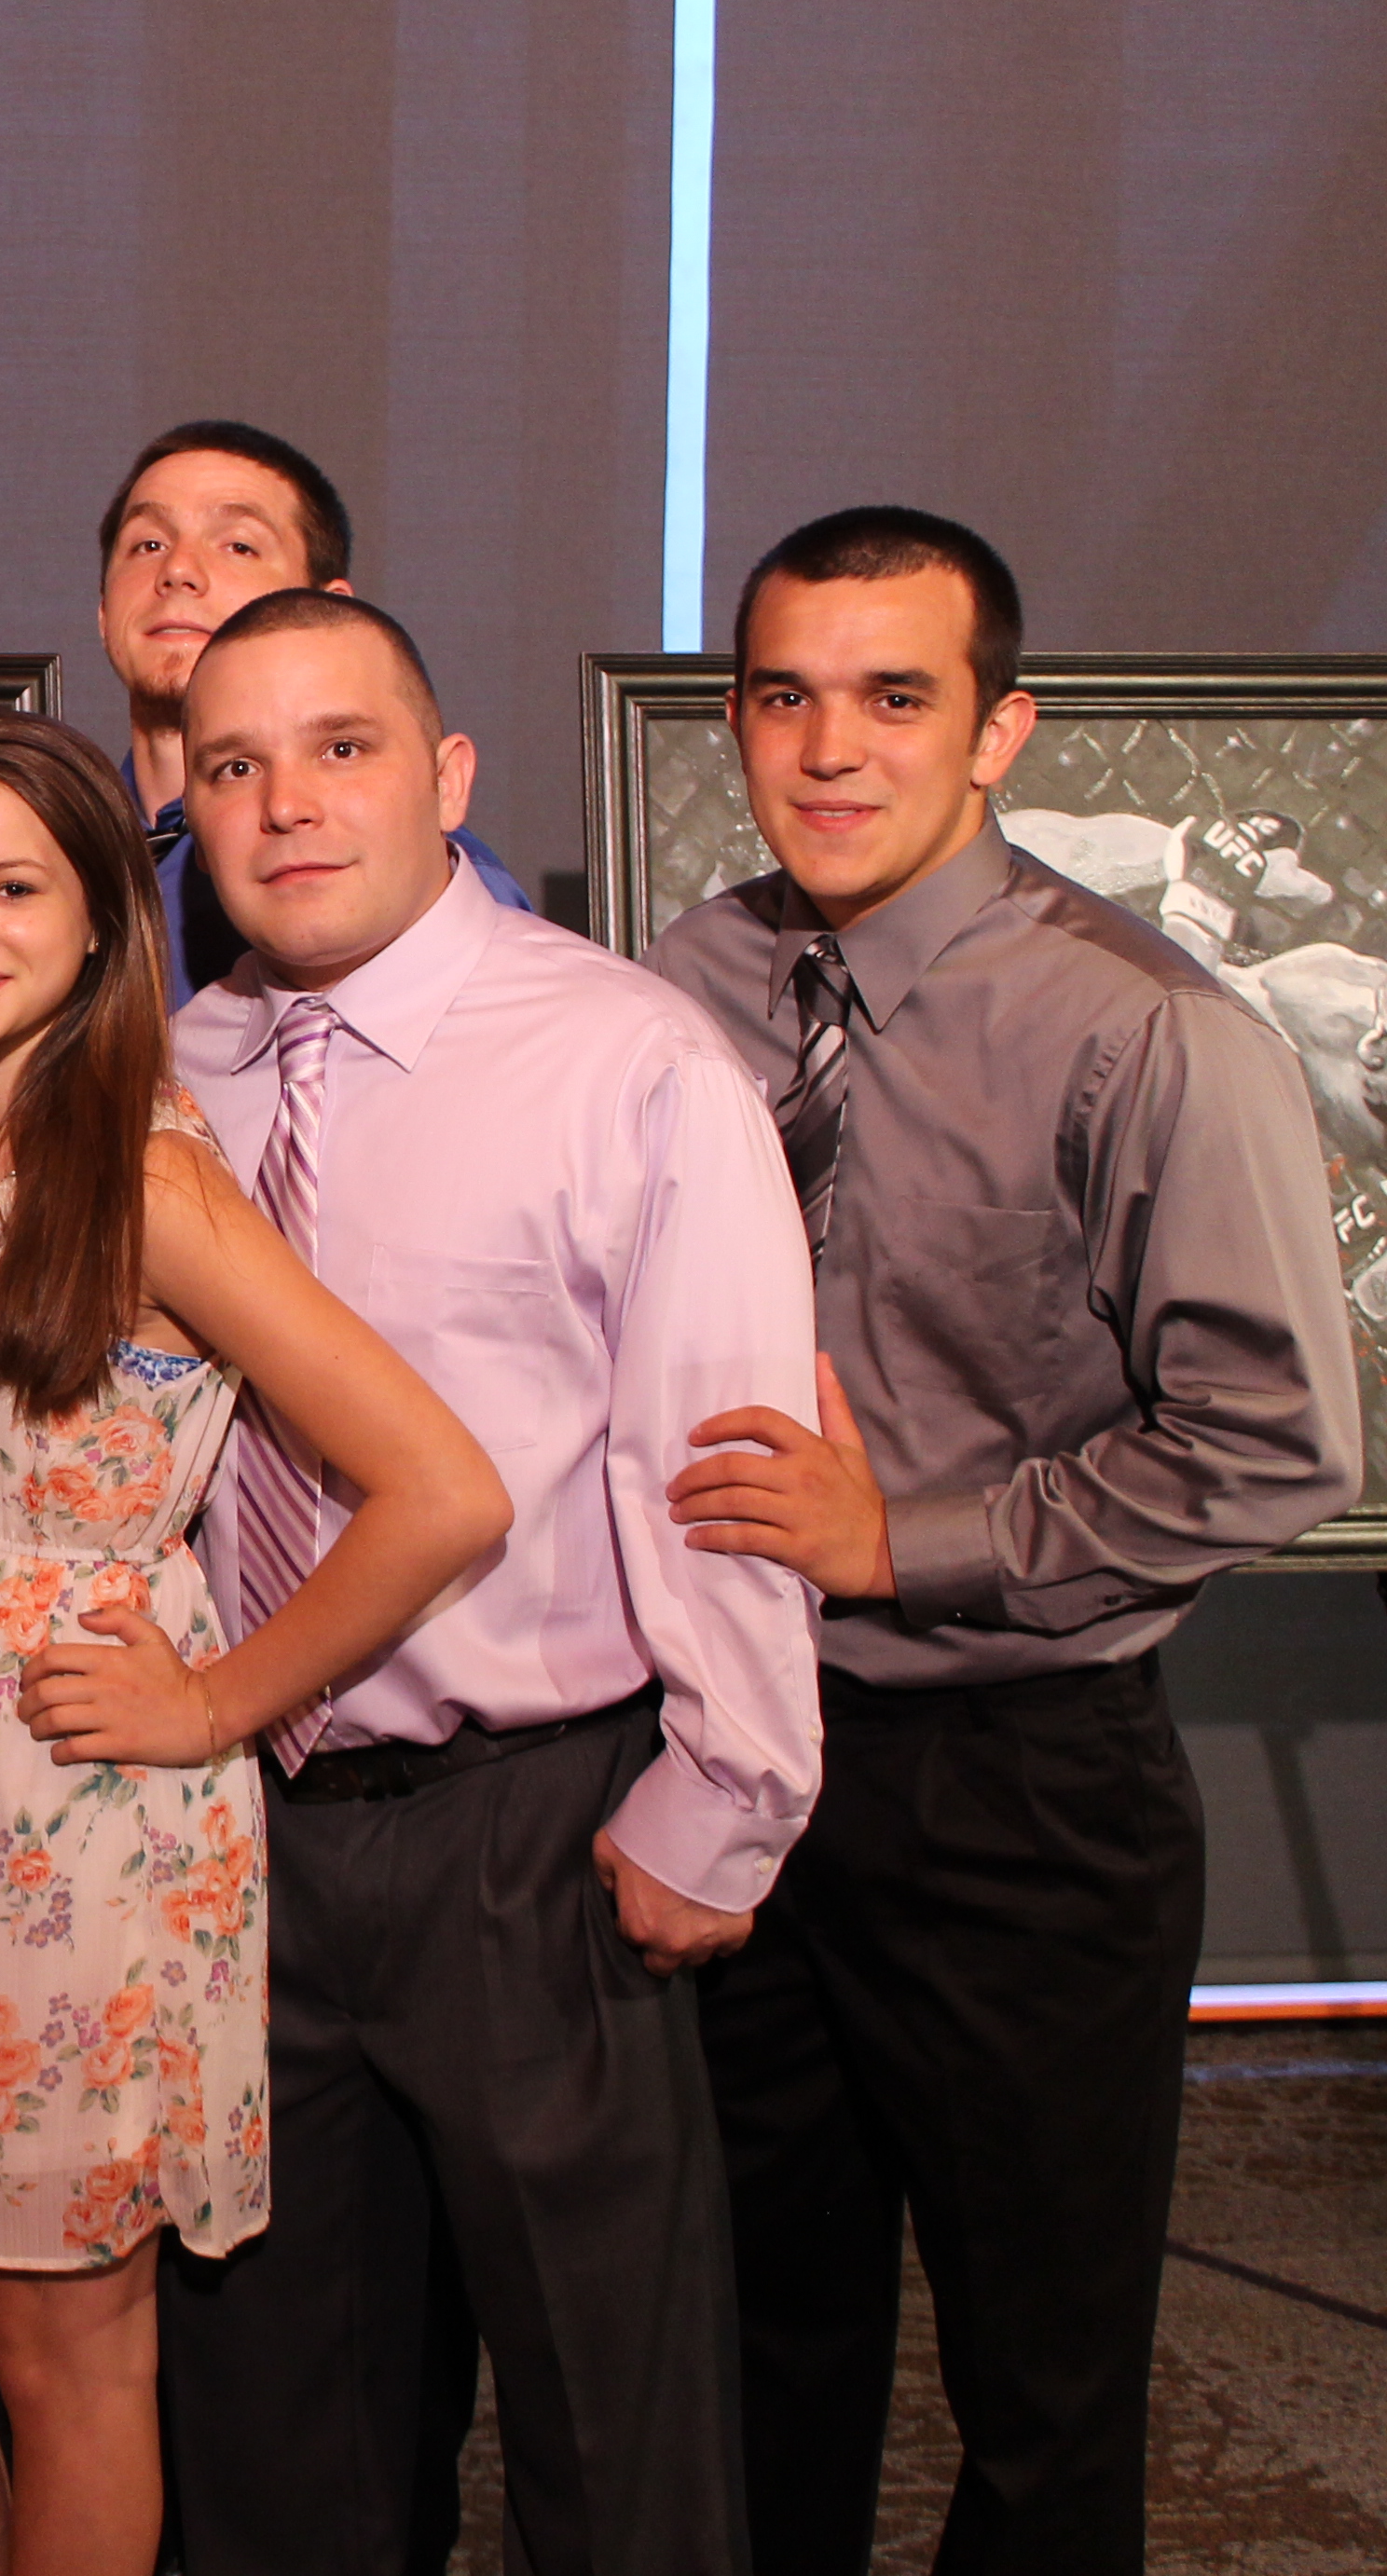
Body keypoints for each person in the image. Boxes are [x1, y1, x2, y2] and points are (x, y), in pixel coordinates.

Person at [650, 507, 1359, 2573]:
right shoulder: (685, 979)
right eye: (785, 695)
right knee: (756, 2350)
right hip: (737, 1764)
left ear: (1001, 729)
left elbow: (1276, 1435)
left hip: (1019, 1794)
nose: (831, 745)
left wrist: (906, 1541)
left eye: (895, 696)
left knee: (1046, 2400)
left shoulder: (1147, 1025)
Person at [0, 715, 509, 2576]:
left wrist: (215, 1701)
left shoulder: (152, 1177)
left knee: (61, 2343)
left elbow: (442, 1484)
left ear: (107, 918)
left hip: (89, 1823)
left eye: (15, 885)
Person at [156, 591, 823, 2576]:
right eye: (234, 764)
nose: (287, 803)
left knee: (612, 2431)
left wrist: (727, 1798)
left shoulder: (623, 1055)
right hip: (250, 1836)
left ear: (448, 777)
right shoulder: (178, 1068)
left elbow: (716, 1457)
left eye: (341, 746)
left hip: (532, 1826)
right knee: (279, 2428)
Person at [89, 420, 527, 1006]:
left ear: (328, 610)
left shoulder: (420, 877)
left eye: (238, 545)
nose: (177, 571)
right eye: (147, 545)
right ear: (103, 610)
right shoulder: (57, 848)